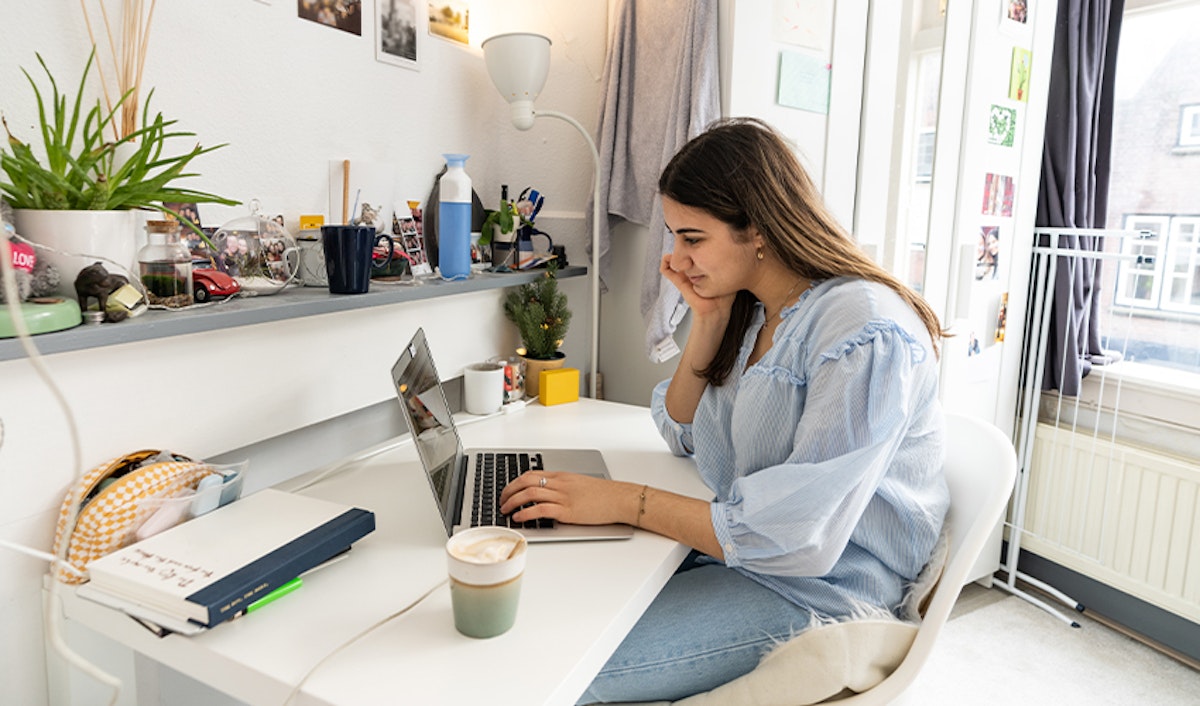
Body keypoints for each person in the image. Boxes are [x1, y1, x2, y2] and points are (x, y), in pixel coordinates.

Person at [498, 118, 949, 703]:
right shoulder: (761, 309)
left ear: (756, 230)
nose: (676, 258)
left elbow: (800, 538)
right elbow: (681, 431)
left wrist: (626, 502)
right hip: (748, 553)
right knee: (550, 592)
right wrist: (707, 320)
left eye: (691, 237)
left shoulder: (862, 328)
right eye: (673, 237)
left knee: (553, 668)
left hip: (820, 587)